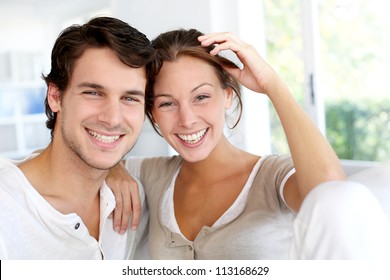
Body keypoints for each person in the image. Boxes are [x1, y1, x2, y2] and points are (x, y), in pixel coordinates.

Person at [113, 29, 390, 259]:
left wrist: (271, 84)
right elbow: (82, 164)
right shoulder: (150, 175)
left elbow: (334, 196)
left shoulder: (272, 176)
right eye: (167, 103)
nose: (187, 120)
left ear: (229, 96)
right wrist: (112, 168)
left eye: (201, 97)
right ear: (152, 114)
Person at [0, 16, 156, 259]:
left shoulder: (138, 195)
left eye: (130, 98)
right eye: (93, 92)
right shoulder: (7, 212)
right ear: (55, 96)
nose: (113, 119)